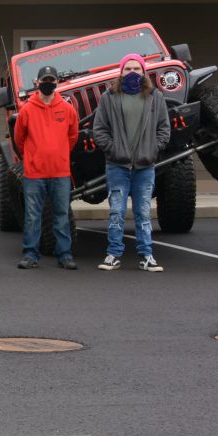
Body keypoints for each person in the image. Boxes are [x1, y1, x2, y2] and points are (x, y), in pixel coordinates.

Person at [93, 53, 171, 272]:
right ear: (121, 72)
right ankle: (113, 255)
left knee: (143, 213)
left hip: (145, 167)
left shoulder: (155, 96)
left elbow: (164, 129)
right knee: (116, 212)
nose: (132, 72)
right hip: (117, 166)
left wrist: (152, 149)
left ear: (144, 71)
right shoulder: (109, 97)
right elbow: (99, 130)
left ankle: (147, 256)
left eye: (137, 68)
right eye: (128, 69)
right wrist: (113, 149)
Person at [13, 65, 79, 270]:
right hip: (34, 173)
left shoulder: (67, 109)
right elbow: (19, 139)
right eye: (45, 80)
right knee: (33, 216)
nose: (48, 83)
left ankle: (65, 255)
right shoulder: (27, 110)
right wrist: (32, 157)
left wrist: (59, 154)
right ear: (37, 82)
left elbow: (73, 136)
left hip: (60, 172)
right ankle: (30, 254)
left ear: (57, 82)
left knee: (61, 215)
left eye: (51, 80)